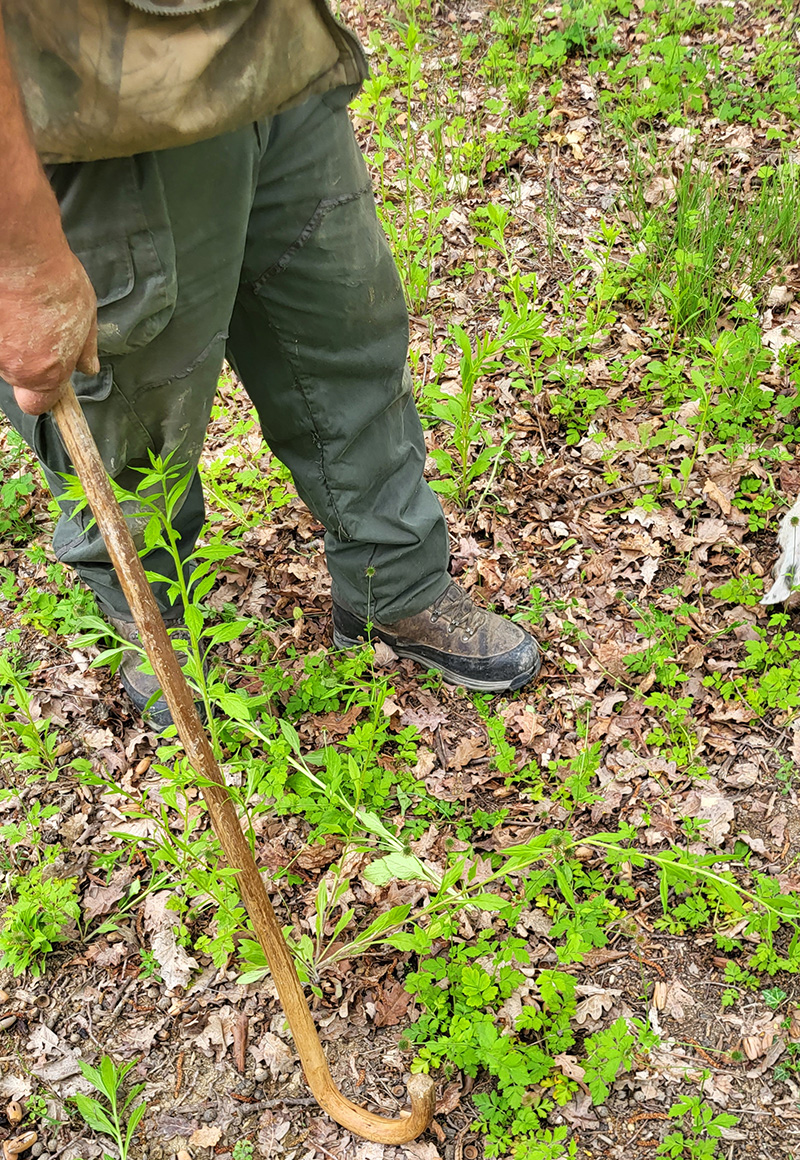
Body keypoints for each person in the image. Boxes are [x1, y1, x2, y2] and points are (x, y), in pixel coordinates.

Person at [0, 0, 540, 731]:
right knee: (132, 411)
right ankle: (152, 625)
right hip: (95, 113)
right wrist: (20, 256)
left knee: (346, 329)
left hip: (270, 51)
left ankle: (394, 584)